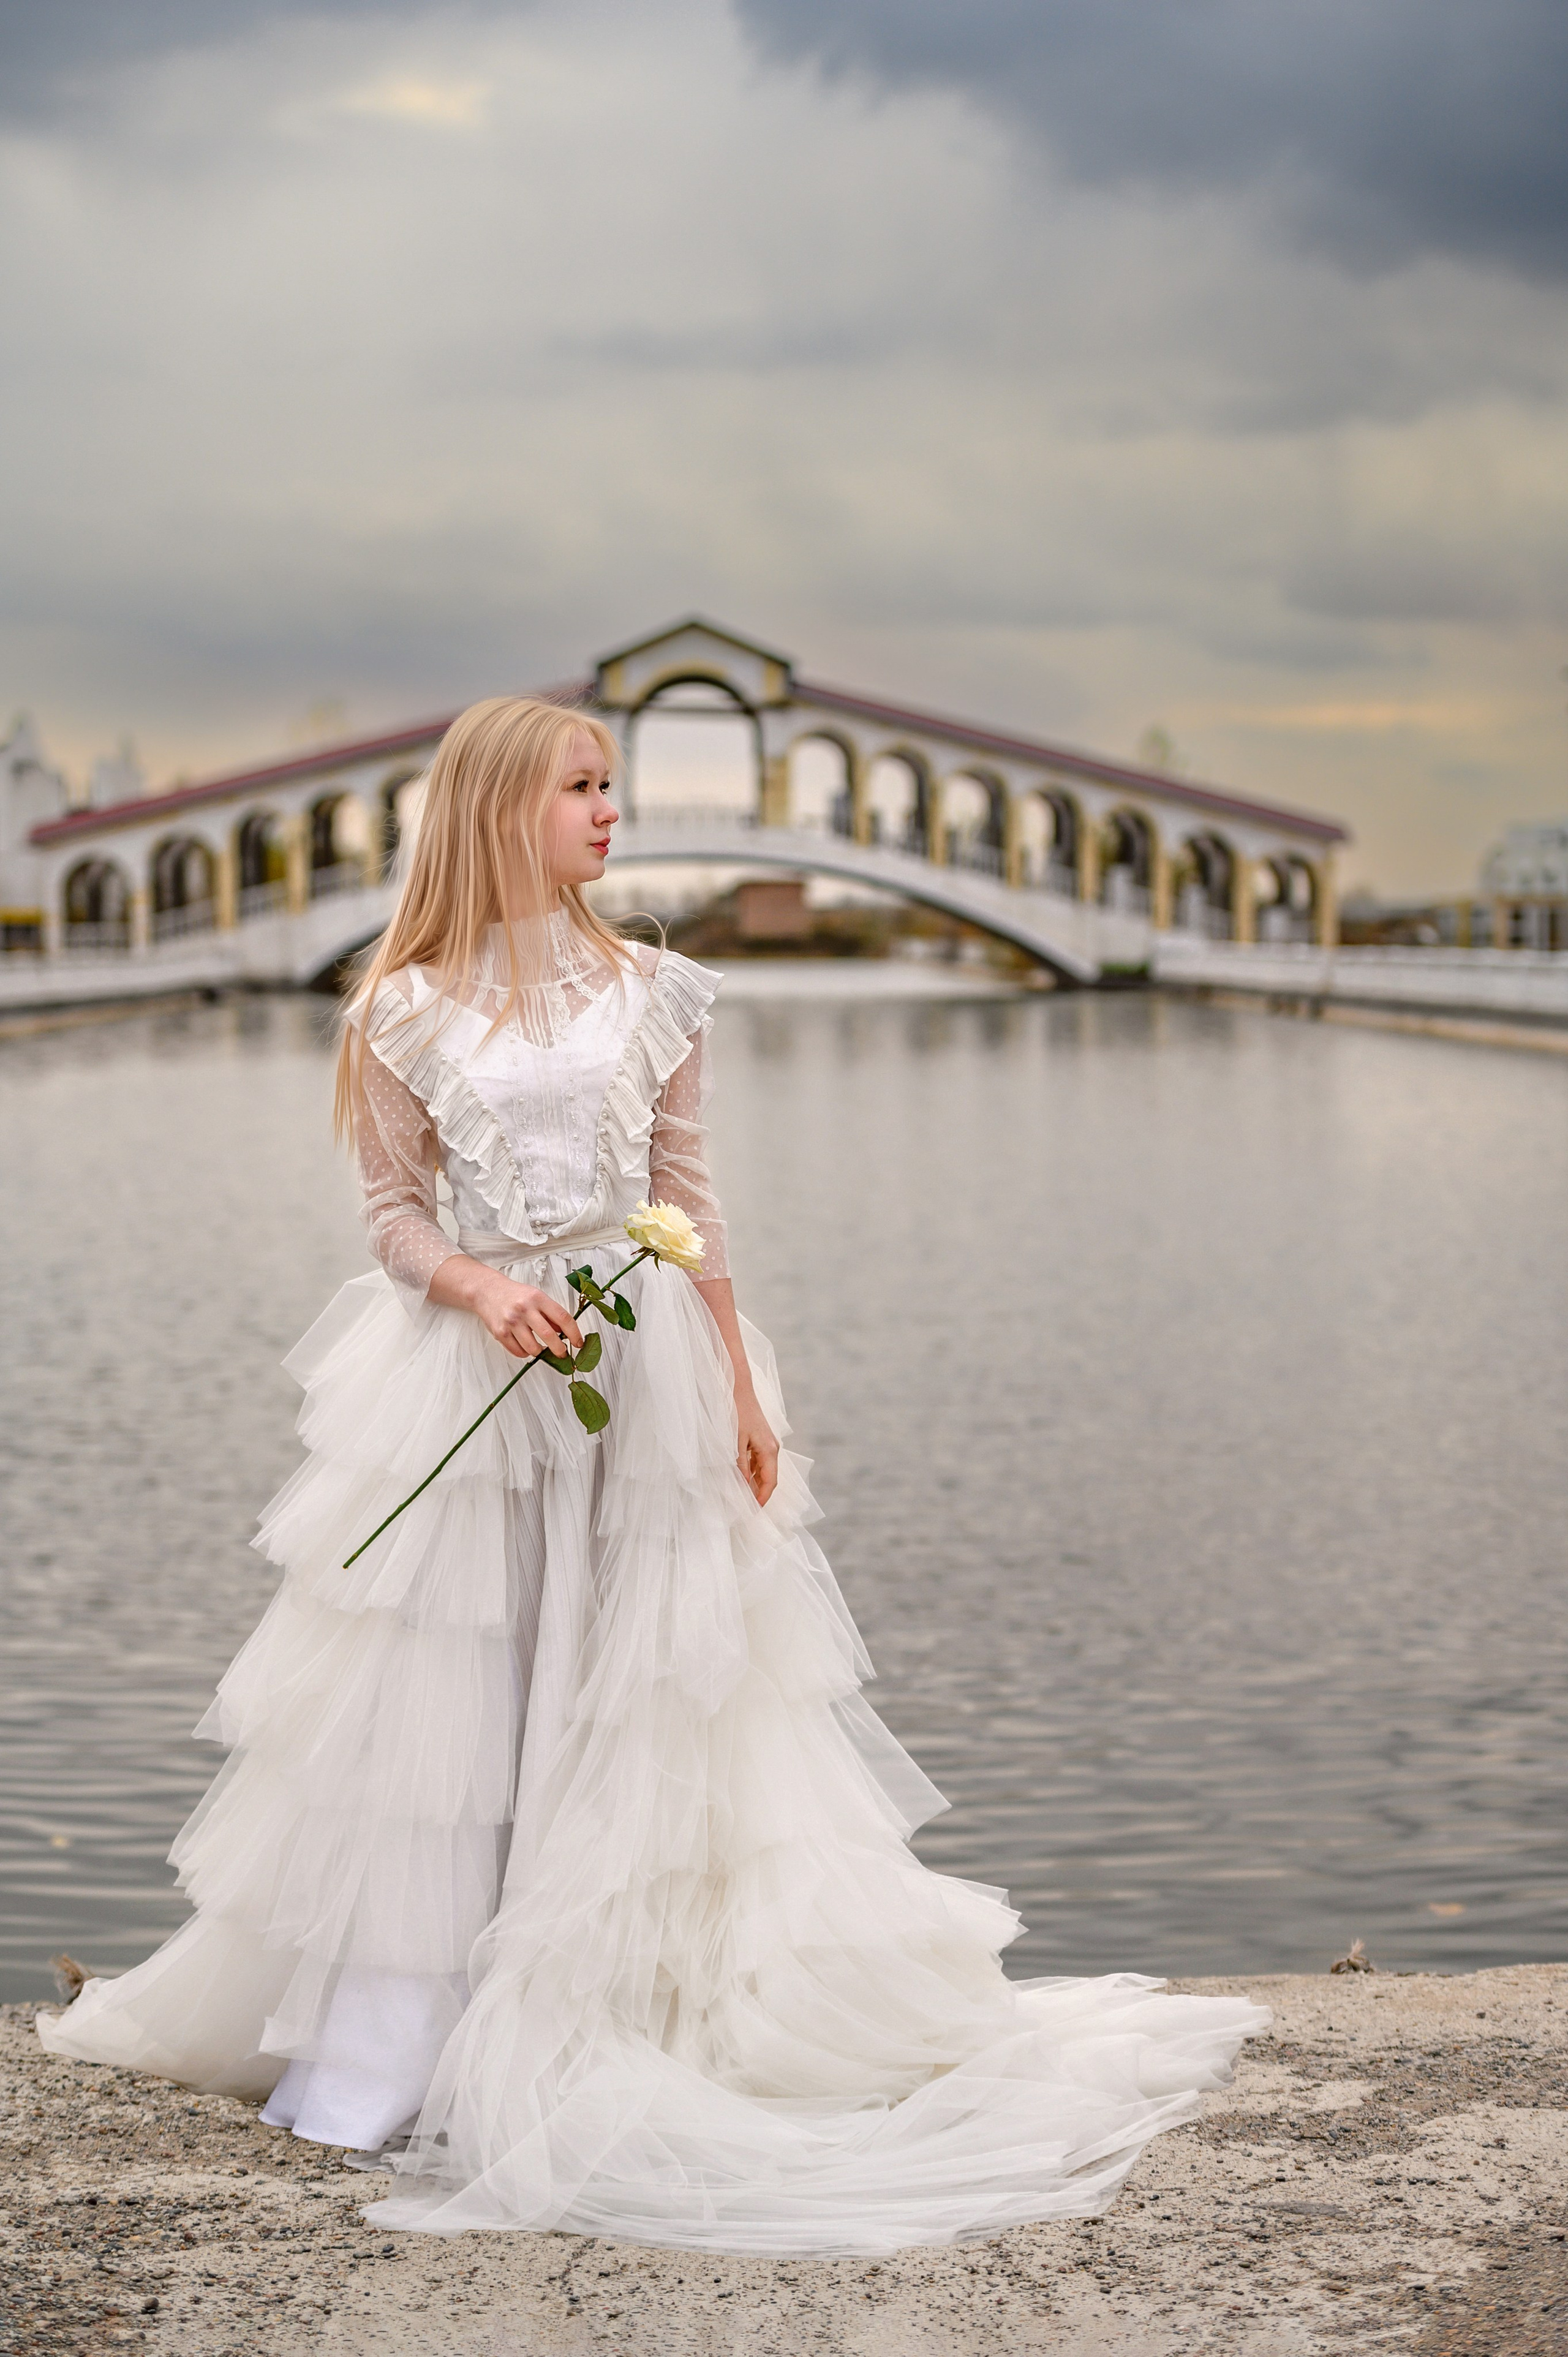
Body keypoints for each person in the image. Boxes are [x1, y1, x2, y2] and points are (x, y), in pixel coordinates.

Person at [40, 696, 1267, 2254]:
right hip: (475, 1371)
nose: (611, 811)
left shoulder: (658, 991)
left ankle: (627, 1995)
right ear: (499, 809)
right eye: (580, 786)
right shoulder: (399, 1007)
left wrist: (742, 1385)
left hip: (644, 1362)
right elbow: (394, 1220)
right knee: (454, 1699)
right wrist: (482, 1294)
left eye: (612, 785)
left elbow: (689, 1201)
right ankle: (415, 2025)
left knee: (642, 1679)